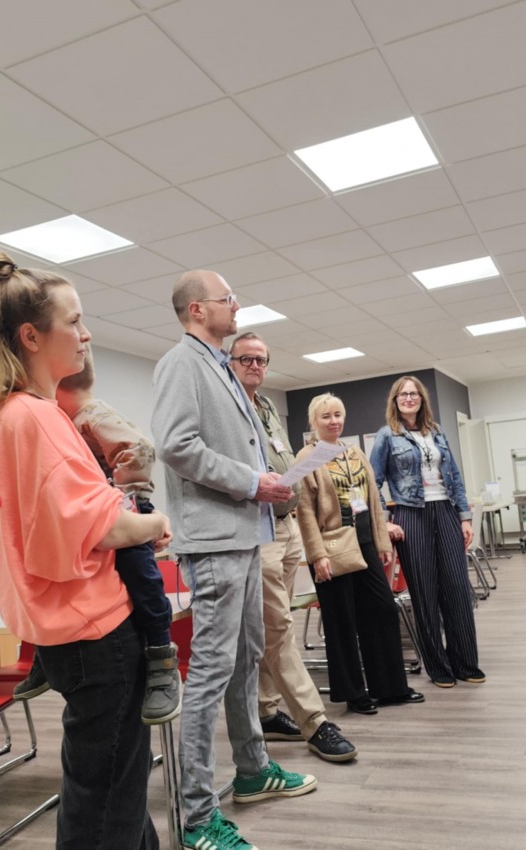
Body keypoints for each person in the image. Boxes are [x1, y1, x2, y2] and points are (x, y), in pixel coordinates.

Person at [0, 249, 171, 850]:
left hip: (70, 633)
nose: (87, 335)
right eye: (75, 321)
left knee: (115, 790)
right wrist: (155, 522)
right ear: (32, 336)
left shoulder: (15, 415)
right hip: (97, 634)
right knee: (103, 806)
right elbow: (98, 527)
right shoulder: (35, 418)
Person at [151, 270, 317, 850]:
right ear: (198, 309)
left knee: (246, 659)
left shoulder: (220, 366)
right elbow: (176, 446)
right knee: (210, 673)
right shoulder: (181, 363)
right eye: (227, 299)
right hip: (214, 540)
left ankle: (252, 770)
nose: (236, 305)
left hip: (245, 534)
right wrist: (252, 482)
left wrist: (268, 481)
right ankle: (197, 817)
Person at [13, 348, 181, 725]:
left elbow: (140, 448)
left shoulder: (92, 414)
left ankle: (160, 653)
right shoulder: (60, 420)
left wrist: (119, 491)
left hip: (126, 507)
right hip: (98, 512)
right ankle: (44, 653)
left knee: (142, 577)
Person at [229, 332, 356, 763]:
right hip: (255, 528)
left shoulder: (265, 405)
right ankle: (314, 721)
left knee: (270, 628)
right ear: (230, 363)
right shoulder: (228, 404)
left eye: (261, 360)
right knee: (279, 625)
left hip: (284, 526)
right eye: (246, 359)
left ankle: (266, 711)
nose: (255, 366)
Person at [296, 393, 424, 715]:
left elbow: (373, 501)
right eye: (326, 416)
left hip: (364, 542)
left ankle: (390, 687)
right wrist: (317, 555)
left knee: (382, 610)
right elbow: (305, 511)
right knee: (341, 621)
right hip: (331, 548)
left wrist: (381, 543)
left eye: (338, 414)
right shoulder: (307, 457)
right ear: (314, 421)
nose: (334, 421)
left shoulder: (353, 452)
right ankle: (353, 693)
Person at [369, 375, 485, 689]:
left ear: (422, 399)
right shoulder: (387, 435)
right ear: (395, 401)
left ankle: (465, 662)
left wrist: (464, 517)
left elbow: (455, 476)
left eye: (414, 394)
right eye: (403, 394)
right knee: (424, 593)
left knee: (457, 589)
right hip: (410, 514)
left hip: (445, 510)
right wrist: (385, 520)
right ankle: (438, 666)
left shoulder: (436, 431)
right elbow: (373, 482)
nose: (409, 398)